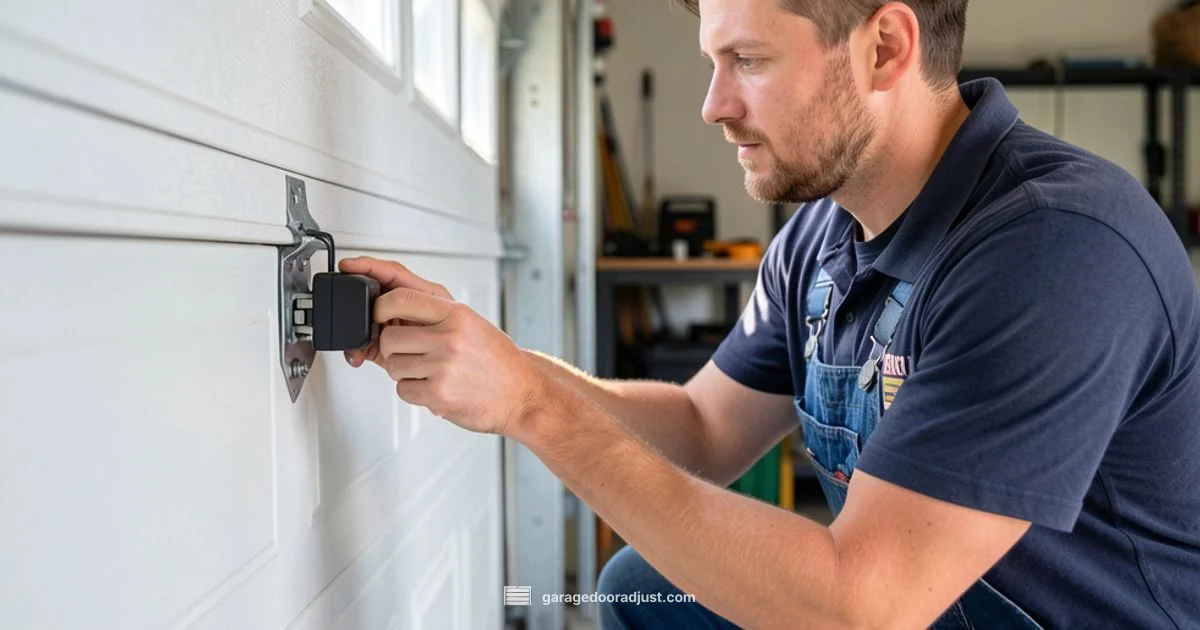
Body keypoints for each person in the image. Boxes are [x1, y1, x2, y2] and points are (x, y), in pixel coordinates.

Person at [338, 0, 1200, 627]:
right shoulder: (820, 237)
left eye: (747, 60)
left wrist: (536, 409)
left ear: (884, 48)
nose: (713, 105)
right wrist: (511, 371)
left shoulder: (1055, 247)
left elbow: (862, 607)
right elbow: (703, 428)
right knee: (646, 589)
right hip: (924, 606)